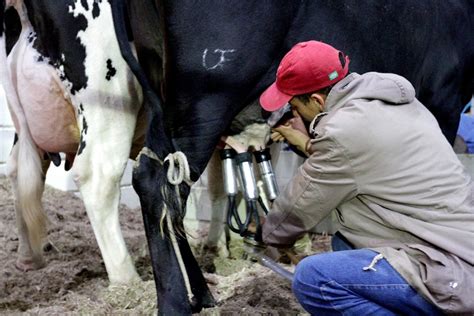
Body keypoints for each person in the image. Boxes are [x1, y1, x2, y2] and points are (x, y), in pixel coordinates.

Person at [259, 40, 474, 315]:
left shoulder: (343, 132)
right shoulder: (392, 103)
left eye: (294, 106)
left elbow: (302, 201)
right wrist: (305, 141)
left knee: (314, 279)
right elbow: (358, 157)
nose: (294, 113)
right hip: (456, 245)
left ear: (316, 100)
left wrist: (271, 238)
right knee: (344, 242)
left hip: (451, 272)